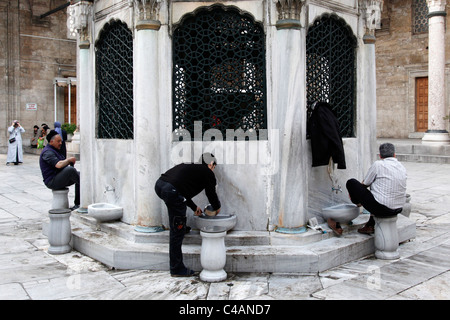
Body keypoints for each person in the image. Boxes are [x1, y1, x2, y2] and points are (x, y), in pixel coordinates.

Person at [155, 153, 221, 277]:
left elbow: (181, 190)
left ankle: (180, 226)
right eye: (213, 167)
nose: (213, 170)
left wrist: (194, 207)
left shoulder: (191, 168)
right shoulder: (207, 172)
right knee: (176, 231)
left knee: (177, 209)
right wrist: (217, 207)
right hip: (172, 191)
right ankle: (176, 268)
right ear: (211, 164)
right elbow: (211, 193)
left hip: (160, 185)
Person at [345, 142, 407, 235]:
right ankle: (370, 225)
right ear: (394, 155)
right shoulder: (401, 166)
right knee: (378, 194)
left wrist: (356, 197)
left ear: (380, 156)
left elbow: (365, 184)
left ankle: (357, 203)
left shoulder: (378, 165)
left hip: (383, 209)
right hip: (399, 208)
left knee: (352, 183)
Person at [39, 130, 80, 211]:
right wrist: (69, 160)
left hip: (57, 176)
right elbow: (58, 164)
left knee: (80, 175)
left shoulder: (55, 150)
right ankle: (79, 203)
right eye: (58, 141)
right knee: (71, 170)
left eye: (61, 141)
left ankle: (79, 202)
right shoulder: (48, 152)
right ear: (51, 142)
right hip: (52, 181)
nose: (60, 143)